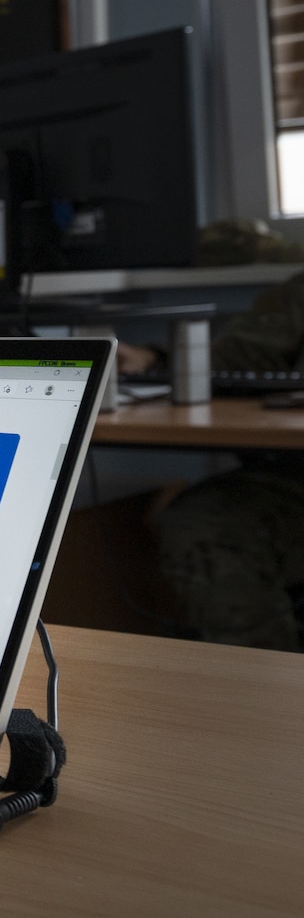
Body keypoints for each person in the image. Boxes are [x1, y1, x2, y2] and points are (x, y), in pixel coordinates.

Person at [119, 271, 304, 649]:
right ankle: (267, 701)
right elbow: (243, 353)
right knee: (203, 528)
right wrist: (155, 359)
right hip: (293, 479)